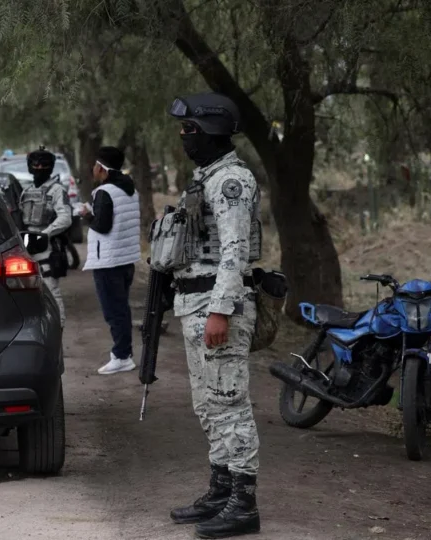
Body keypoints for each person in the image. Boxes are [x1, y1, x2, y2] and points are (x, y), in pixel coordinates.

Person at [166, 93, 263, 538]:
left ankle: (244, 504)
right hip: (195, 303)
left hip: (216, 305)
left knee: (229, 404)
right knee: (208, 406)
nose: (183, 136)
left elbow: (235, 252)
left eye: (189, 129)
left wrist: (221, 311)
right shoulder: (205, 177)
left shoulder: (231, 181)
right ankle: (221, 491)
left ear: (211, 130)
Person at [80, 147, 141, 375]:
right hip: (125, 259)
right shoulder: (130, 190)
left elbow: (102, 226)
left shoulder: (104, 192)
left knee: (114, 311)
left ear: (101, 167)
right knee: (121, 308)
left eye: (95, 165)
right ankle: (123, 354)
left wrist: (86, 215)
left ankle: (122, 356)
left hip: (108, 261)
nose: (93, 169)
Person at [19, 147, 72, 326]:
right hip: (27, 243)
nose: (39, 168)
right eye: (36, 164)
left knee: (50, 288)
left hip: (47, 245)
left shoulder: (57, 190)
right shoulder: (26, 191)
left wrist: (45, 234)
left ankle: (59, 326)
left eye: (43, 165)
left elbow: (65, 218)